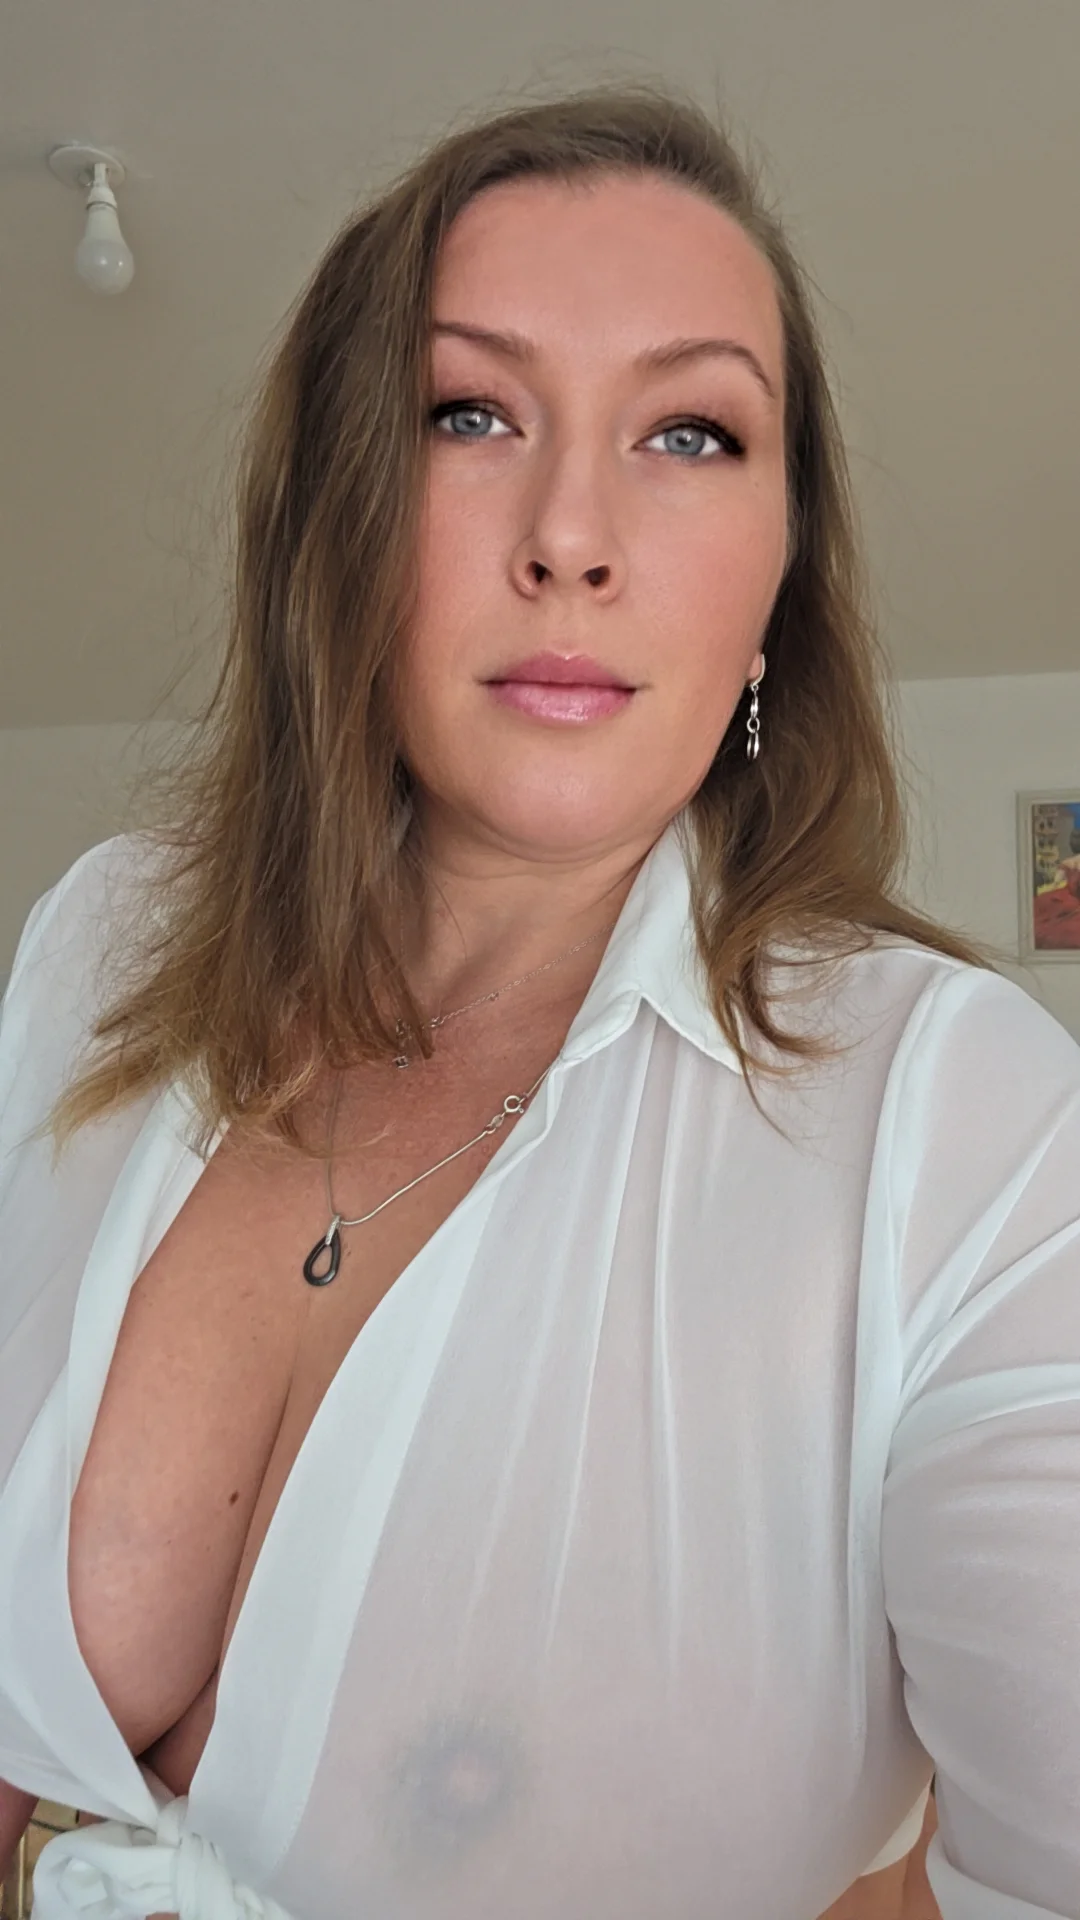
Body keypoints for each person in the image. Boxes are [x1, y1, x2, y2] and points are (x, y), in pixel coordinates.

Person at [0, 79, 1077, 1920]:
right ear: (340, 514)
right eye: (469, 413)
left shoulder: (960, 1119)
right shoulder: (105, 945)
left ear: (777, 582)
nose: (572, 534)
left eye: (691, 433)